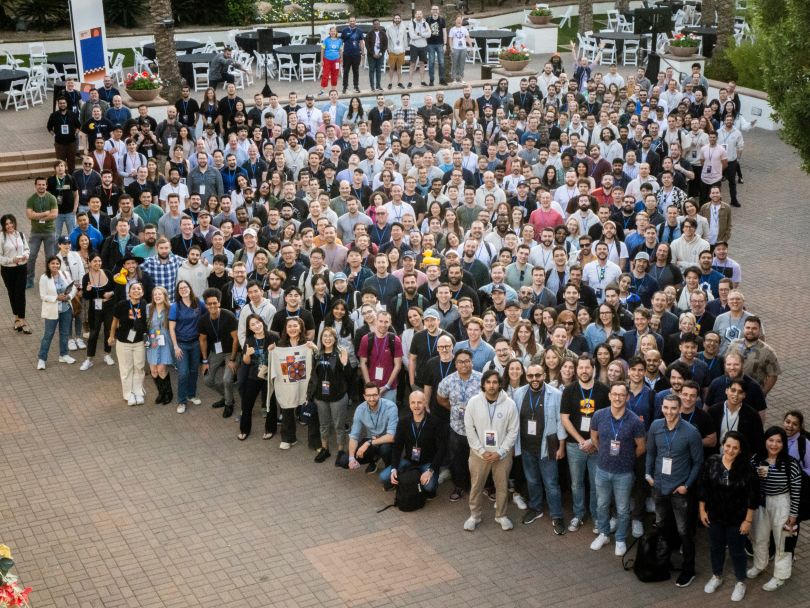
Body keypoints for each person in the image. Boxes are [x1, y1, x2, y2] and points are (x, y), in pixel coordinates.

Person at [646, 393, 704, 587]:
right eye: (665, 407)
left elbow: (698, 463)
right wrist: (648, 475)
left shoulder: (691, 432)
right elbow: (651, 452)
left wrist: (686, 486)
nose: (669, 412)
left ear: (680, 409)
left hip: (680, 492)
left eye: (673, 408)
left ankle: (689, 570)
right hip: (659, 487)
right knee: (662, 527)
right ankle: (663, 563)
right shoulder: (655, 426)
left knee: (684, 532)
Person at [699, 431, 759, 602]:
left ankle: (741, 581)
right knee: (715, 547)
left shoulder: (747, 468)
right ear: (722, 445)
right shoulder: (712, 462)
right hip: (715, 516)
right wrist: (702, 510)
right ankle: (717, 575)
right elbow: (703, 487)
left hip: (737, 519)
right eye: (728, 446)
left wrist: (748, 520)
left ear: (740, 450)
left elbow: (752, 497)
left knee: (737, 551)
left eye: (735, 448)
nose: (730, 450)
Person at [589, 381, 646, 556]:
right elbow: (594, 438)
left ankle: (620, 538)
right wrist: (604, 453)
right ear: (609, 396)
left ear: (627, 397)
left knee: (622, 509)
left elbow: (641, 447)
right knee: (602, 504)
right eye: (615, 394)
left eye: (622, 395)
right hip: (602, 469)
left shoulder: (635, 421)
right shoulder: (599, 415)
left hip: (624, 473)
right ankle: (605, 534)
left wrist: (626, 459)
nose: (618, 398)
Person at [512, 362, 567, 534]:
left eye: (538, 375)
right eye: (530, 376)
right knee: (532, 480)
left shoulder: (556, 394)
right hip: (527, 447)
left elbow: (560, 422)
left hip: (548, 446)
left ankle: (557, 515)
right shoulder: (519, 393)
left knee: (551, 483)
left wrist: (562, 447)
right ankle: (535, 508)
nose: (534, 379)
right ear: (526, 377)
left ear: (544, 375)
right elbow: (514, 421)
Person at [462, 369, 519, 531]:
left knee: (502, 487)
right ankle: (474, 515)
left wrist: (501, 452)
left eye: (495, 382)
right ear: (483, 384)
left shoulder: (510, 404)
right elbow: (469, 429)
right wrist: (481, 451)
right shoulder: (473, 402)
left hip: (502, 454)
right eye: (488, 382)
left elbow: (513, 431)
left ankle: (501, 515)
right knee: (476, 486)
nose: (491, 385)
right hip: (479, 453)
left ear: (500, 384)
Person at [746, 426, 802, 591]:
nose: (774, 444)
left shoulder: (790, 464)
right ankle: (759, 564)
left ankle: (781, 575)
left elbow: (796, 491)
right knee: (759, 536)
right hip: (760, 503)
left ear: (783, 444)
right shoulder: (756, 460)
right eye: (771, 440)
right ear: (765, 441)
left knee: (782, 540)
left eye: (778, 441)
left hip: (781, 503)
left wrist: (793, 514)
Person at [560, 354, 611, 532]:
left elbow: (607, 419)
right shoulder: (569, 390)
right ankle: (578, 514)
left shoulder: (604, 390)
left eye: (587, 367)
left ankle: (597, 516)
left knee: (597, 483)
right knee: (576, 483)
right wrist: (582, 441)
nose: (583, 371)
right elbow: (565, 419)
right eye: (580, 367)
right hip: (575, 445)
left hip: (597, 446)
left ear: (593, 369)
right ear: (576, 370)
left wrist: (593, 440)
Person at [383, 389, 447, 496]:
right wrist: (394, 467)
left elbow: (442, 449)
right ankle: (411, 480)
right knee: (384, 477)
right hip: (409, 461)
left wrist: (431, 470)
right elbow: (397, 447)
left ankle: (425, 480)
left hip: (428, 463)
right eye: (413, 402)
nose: (416, 406)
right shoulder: (403, 422)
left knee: (429, 487)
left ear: (425, 403)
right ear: (409, 404)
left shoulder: (435, 422)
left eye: (419, 402)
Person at [272, 317, 318, 449]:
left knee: (309, 409)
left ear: (301, 328)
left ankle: (315, 441)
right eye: (289, 326)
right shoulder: (280, 345)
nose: (292, 329)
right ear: (285, 329)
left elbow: (318, 358)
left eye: (295, 326)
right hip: (288, 382)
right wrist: (271, 351)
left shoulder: (307, 344)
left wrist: (314, 349)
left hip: (305, 382)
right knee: (287, 409)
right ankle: (288, 438)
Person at [309, 326, 350, 464]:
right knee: (324, 424)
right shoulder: (318, 354)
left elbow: (348, 375)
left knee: (339, 426)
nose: (327, 338)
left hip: (337, 396)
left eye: (330, 336)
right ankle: (324, 449)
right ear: (321, 338)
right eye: (324, 336)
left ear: (335, 338)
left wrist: (345, 364)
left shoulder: (340, 352)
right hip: (321, 397)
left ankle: (340, 450)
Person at [199, 287, 239, 413]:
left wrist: (232, 360)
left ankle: (228, 404)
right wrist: (205, 361)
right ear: (205, 305)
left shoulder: (229, 316)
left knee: (227, 379)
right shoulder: (203, 320)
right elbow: (203, 340)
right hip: (216, 351)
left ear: (219, 303)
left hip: (231, 351)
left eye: (215, 303)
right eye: (209, 303)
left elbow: (236, 339)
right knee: (207, 380)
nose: (212, 306)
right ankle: (227, 396)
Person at [238, 314, 278, 441]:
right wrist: (248, 355)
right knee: (247, 403)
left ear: (262, 322)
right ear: (249, 328)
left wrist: (275, 349)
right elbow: (246, 362)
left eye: (258, 322)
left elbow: (281, 355)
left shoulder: (273, 336)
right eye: (253, 324)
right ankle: (244, 430)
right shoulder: (249, 340)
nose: (257, 326)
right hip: (254, 376)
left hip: (270, 376)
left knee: (270, 404)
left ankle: (270, 429)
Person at [108, 281, 148, 405]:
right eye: (133, 289)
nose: (136, 291)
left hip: (139, 342)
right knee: (126, 369)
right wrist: (111, 336)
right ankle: (128, 393)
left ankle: (138, 391)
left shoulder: (144, 304)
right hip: (123, 342)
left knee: (139, 368)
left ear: (142, 292)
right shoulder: (122, 305)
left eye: (139, 289)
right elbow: (115, 321)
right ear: (129, 292)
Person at [168, 280, 204, 414]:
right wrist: (176, 347)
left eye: (185, 287)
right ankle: (182, 401)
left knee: (194, 371)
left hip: (195, 343)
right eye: (180, 288)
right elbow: (171, 328)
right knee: (183, 373)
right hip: (181, 345)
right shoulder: (175, 306)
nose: (183, 289)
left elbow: (206, 317)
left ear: (190, 288)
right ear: (178, 291)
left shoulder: (198, 303)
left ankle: (191, 395)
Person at [348, 382, 399, 472]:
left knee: (385, 449)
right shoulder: (360, 409)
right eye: (368, 395)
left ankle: (390, 468)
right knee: (346, 459)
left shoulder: (390, 407)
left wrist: (368, 443)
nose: (371, 399)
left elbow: (391, 437)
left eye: (375, 395)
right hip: (371, 438)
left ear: (379, 395)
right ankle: (374, 461)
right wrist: (351, 458)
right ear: (364, 396)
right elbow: (354, 436)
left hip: (388, 440)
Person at [36, 255, 76, 370]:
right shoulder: (44, 278)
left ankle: (64, 355)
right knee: (48, 335)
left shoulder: (65, 274)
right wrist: (56, 298)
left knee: (64, 334)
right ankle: (42, 359)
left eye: (57, 263)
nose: (55, 265)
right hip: (52, 311)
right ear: (48, 265)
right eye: (53, 263)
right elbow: (43, 296)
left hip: (66, 309)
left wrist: (68, 296)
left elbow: (73, 288)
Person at [79, 252, 116, 371]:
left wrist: (111, 293)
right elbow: (85, 296)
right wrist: (88, 290)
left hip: (109, 307)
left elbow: (117, 289)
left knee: (108, 331)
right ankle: (89, 359)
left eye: (99, 261)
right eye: (95, 261)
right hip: (95, 308)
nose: (97, 263)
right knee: (93, 333)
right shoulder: (86, 277)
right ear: (89, 263)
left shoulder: (108, 273)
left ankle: (107, 354)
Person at [26, 176, 59, 289]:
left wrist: (37, 216)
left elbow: (54, 215)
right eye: (39, 184)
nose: (41, 186)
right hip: (35, 233)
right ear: (35, 186)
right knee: (30, 256)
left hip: (50, 232)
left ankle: (49, 279)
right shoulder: (31, 199)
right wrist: (44, 214)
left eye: (43, 184)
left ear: (46, 185)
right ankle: (29, 279)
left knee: (50, 257)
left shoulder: (52, 198)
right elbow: (29, 215)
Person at [142, 285, 174, 403]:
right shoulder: (148, 307)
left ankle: (168, 393)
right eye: (155, 294)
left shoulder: (170, 308)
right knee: (153, 370)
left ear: (164, 295)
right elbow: (144, 324)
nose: (157, 296)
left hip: (165, 340)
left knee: (161, 368)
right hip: (152, 340)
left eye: (160, 294)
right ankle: (160, 393)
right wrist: (145, 341)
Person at [1, 214, 31, 333]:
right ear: (3, 226)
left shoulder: (20, 234)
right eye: (6, 224)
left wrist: (26, 256)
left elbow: (27, 249)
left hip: (21, 267)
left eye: (11, 223)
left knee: (20, 293)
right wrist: (11, 260)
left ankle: (22, 321)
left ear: (14, 222)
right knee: (12, 294)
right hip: (8, 269)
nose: (9, 225)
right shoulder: (1, 237)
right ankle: (16, 319)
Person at [341, 17, 365, 94]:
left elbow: (361, 42)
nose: (352, 22)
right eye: (350, 21)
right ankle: (345, 87)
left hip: (356, 54)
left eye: (353, 21)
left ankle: (356, 86)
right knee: (346, 71)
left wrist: (363, 52)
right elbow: (341, 43)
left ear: (355, 22)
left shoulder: (359, 31)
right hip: (347, 54)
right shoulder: (345, 31)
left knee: (356, 71)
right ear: (348, 22)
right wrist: (341, 53)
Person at [448, 15, 472, 84]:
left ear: (462, 21)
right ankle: (454, 79)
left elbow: (467, 38)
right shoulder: (452, 29)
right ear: (455, 21)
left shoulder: (464, 29)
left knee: (462, 64)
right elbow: (450, 39)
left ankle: (461, 78)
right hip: (455, 48)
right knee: (454, 64)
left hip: (463, 48)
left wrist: (470, 46)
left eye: (460, 20)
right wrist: (451, 48)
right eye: (457, 20)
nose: (459, 21)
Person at [319, 27, 343, 96]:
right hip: (327, 60)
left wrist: (341, 59)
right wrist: (321, 60)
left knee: (335, 75)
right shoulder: (326, 40)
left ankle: (333, 90)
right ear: (329, 32)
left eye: (334, 31)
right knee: (325, 75)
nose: (332, 33)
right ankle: (322, 90)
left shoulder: (339, 41)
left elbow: (341, 50)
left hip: (336, 60)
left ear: (336, 32)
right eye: (331, 31)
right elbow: (322, 50)